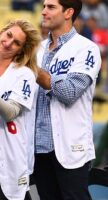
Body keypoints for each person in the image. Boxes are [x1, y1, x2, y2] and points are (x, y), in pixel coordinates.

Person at [34, 0, 102, 199]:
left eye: (51, 7)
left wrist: (35, 71)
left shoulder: (86, 48)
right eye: (44, 6)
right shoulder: (36, 49)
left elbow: (69, 92)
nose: (44, 11)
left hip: (69, 146)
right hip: (38, 146)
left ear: (68, 12)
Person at [0, 19, 42, 200]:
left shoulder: (24, 74)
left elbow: (11, 112)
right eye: (9, 35)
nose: (9, 43)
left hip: (10, 152)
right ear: (1, 32)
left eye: (17, 43)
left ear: (22, 49)